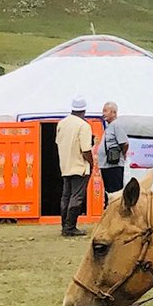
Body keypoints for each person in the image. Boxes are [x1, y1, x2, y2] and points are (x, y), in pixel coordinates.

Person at [55, 95, 94, 236]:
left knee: (65, 197)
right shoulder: (84, 126)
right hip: (79, 167)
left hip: (65, 166)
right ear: (84, 111)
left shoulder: (61, 123)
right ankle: (70, 227)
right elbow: (86, 149)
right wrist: (91, 163)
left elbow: (58, 143)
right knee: (76, 197)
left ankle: (64, 225)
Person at [98, 100, 129, 205]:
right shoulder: (109, 126)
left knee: (115, 192)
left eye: (106, 111)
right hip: (106, 166)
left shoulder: (117, 125)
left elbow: (124, 143)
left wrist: (122, 155)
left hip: (114, 165)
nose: (103, 114)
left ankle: (116, 214)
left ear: (114, 113)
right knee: (108, 192)